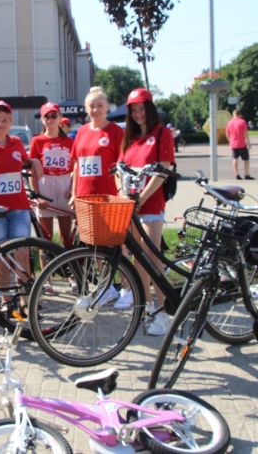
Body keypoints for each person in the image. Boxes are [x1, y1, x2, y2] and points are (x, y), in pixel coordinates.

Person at [0, 101, 42, 315]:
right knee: (0, 255)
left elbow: (24, 162)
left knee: (21, 253)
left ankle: (25, 299)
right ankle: (5, 297)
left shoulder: (17, 143)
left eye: (5, 120)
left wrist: (34, 162)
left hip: (20, 208)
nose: (0, 124)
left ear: (11, 123)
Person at [117, 88, 176, 335]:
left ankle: (165, 313)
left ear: (150, 108)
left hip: (150, 206)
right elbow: (120, 169)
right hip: (131, 207)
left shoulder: (162, 133)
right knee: (137, 259)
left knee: (153, 258)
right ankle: (148, 305)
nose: (138, 114)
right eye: (134, 110)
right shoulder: (129, 138)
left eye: (142, 108)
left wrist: (142, 197)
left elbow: (163, 171)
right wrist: (122, 193)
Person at [30, 102, 74, 247]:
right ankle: (47, 268)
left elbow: (76, 167)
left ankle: (67, 267)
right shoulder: (37, 140)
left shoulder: (69, 141)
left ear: (60, 117)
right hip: (45, 184)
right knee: (45, 240)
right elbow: (32, 171)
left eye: (54, 115)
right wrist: (37, 195)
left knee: (66, 238)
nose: (50, 119)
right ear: (42, 119)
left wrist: (72, 189)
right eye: (46, 116)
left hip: (64, 183)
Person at [70, 86, 124, 206]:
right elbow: (76, 165)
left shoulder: (116, 131)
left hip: (109, 195)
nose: (95, 110)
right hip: (84, 194)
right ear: (86, 109)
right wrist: (74, 193)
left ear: (107, 107)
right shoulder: (81, 131)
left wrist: (121, 193)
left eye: (100, 105)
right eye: (92, 106)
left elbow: (122, 165)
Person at [225, 109, 254, 180]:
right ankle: (246, 175)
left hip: (233, 144)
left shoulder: (229, 123)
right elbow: (245, 133)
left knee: (235, 159)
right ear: (240, 115)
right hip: (241, 144)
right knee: (246, 159)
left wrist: (230, 141)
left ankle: (237, 175)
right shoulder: (242, 122)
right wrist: (249, 143)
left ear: (233, 115)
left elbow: (227, 134)